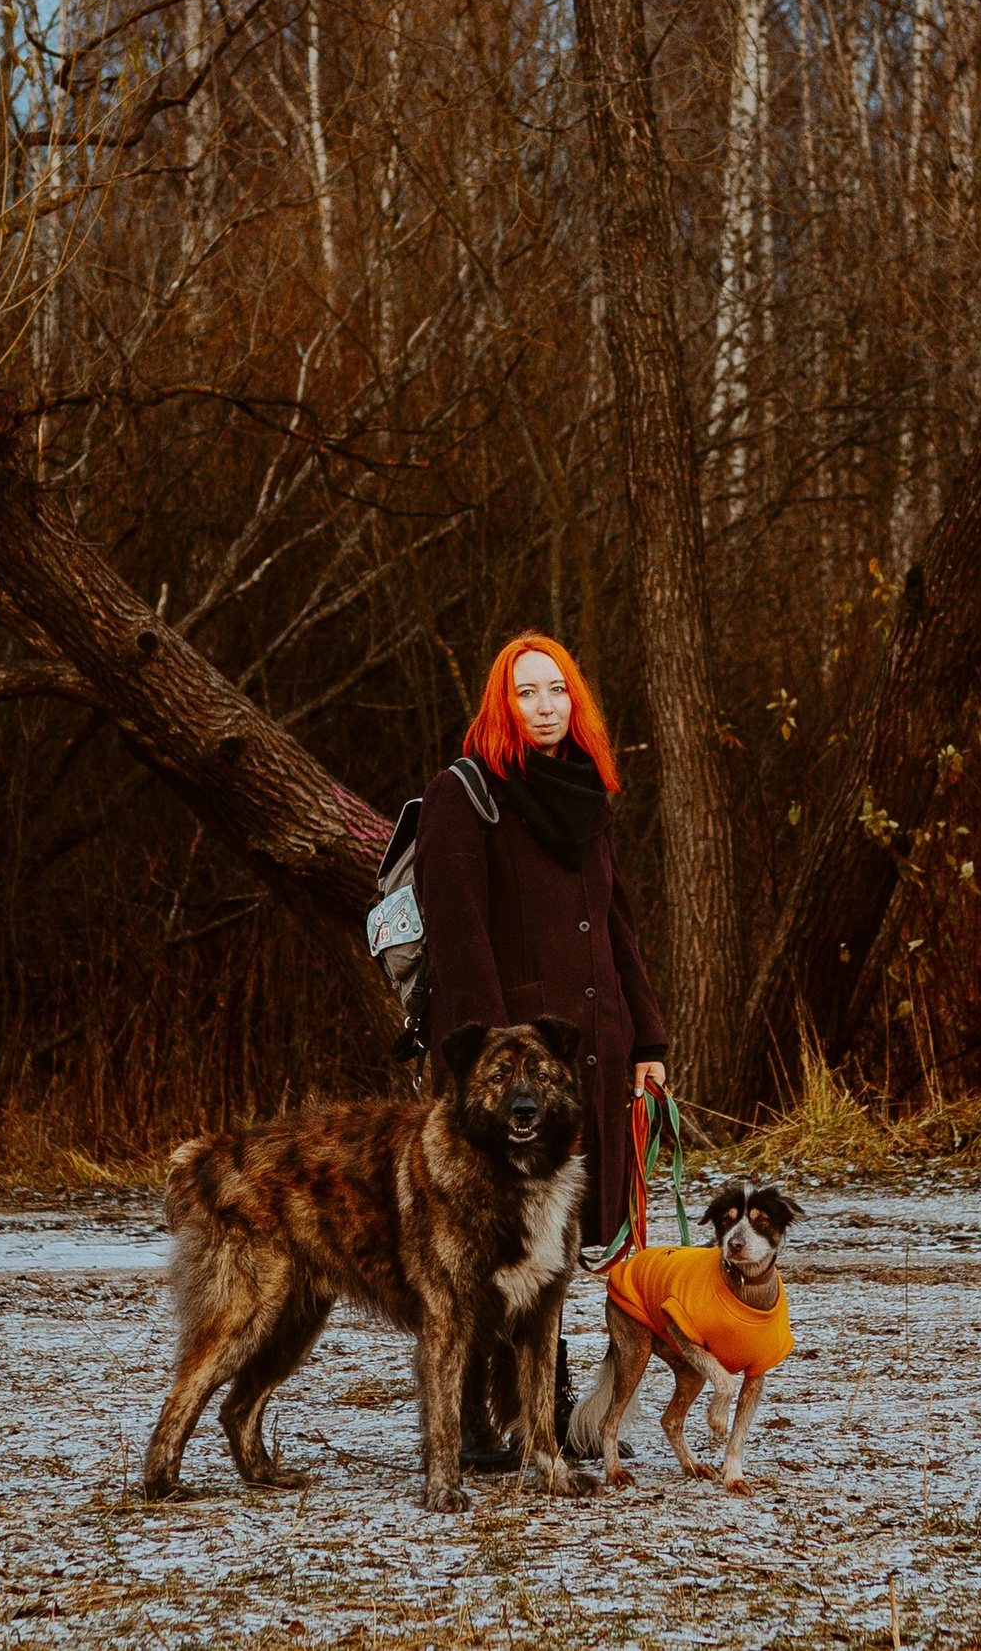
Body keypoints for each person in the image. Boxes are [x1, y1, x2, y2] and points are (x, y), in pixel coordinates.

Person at [412, 628, 670, 1465]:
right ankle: (490, 1422)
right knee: (496, 1239)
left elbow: (619, 924)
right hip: (510, 1078)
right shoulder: (466, 795)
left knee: (563, 1237)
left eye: (557, 689)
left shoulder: (588, 793)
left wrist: (649, 1038)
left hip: (592, 1055)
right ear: (501, 704)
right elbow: (459, 935)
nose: (545, 706)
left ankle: (544, 1413)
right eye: (526, 692)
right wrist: (494, 1065)